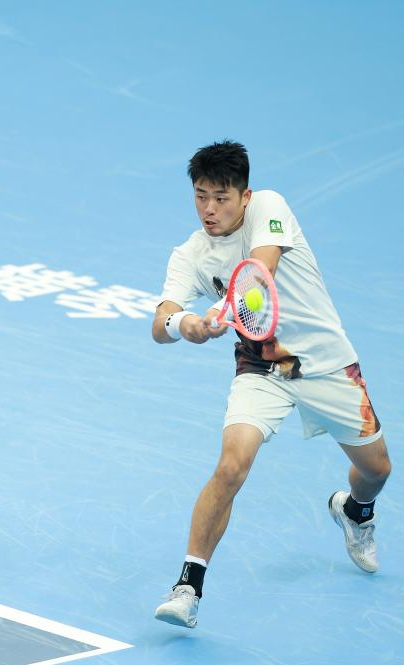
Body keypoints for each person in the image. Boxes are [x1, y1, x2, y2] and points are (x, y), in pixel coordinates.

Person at [150, 140, 391, 629]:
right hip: (263, 367)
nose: (209, 209)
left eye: (221, 198)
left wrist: (219, 310)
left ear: (244, 196)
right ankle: (187, 587)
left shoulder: (269, 206)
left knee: (377, 470)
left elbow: (259, 272)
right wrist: (185, 325)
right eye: (200, 196)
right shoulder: (191, 253)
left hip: (328, 364)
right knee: (231, 466)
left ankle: (356, 511)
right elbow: (160, 322)